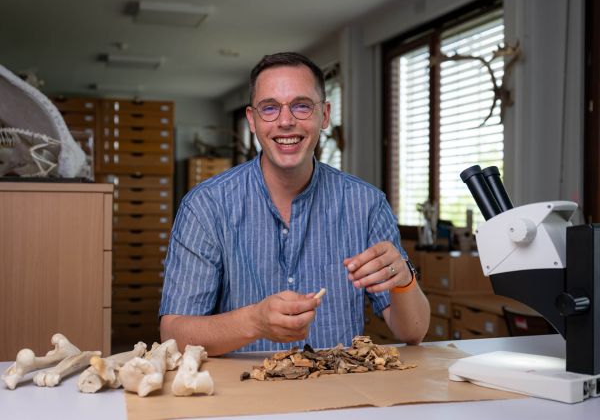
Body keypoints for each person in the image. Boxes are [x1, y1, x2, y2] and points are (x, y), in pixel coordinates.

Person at [159, 52, 430, 355]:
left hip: (339, 392)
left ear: (324, 115)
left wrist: (405, 279)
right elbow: (173, 334)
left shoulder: (367, 205)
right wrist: (254, 322)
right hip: (242, 394)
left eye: (301, 106)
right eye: (270, 108)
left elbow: (413, 332)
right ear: (252, 119)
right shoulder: (205, 206)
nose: (285, 122)